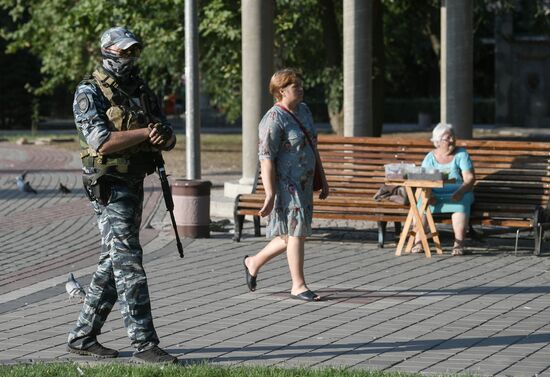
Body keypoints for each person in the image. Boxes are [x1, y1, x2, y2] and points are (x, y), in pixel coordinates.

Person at [67, 26, 178, 363]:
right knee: (129, 262)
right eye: (125, 51)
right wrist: (145, 132)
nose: (131, 58)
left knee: (113, 260)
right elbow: (101, 141)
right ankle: (144, 344)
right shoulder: (90, 92)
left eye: (134, 51)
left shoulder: (142, 91)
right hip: (109, 185)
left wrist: (162, 137)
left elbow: (167, 135)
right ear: (108, 52)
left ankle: (82, 337)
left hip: (134, 182)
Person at [242, 68, 329, 302]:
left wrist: (323, 178)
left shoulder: (304, 111)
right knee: (296, 233)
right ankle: (298, 285)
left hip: (305, 183)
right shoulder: (272, 119)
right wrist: (269, 194)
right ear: (281, 91)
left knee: (291, 235)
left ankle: (253, 262)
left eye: (300, 84)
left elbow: (313, 146)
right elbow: (266, 158)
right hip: (286, 186)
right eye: (295, 86)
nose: (300, 89)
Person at [412, 123, 476, 256]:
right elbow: (422, 180)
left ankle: (458, 243)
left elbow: (469, 178)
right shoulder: (430, 158)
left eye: (453, 137)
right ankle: (418, 241)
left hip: (458, 192)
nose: (452, 140)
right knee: (422, 203)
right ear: (438, 141)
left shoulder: (461, 154)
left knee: (460, 204)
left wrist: (460, 191)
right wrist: (428, 196)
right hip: (434, 194)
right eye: (448, 138)